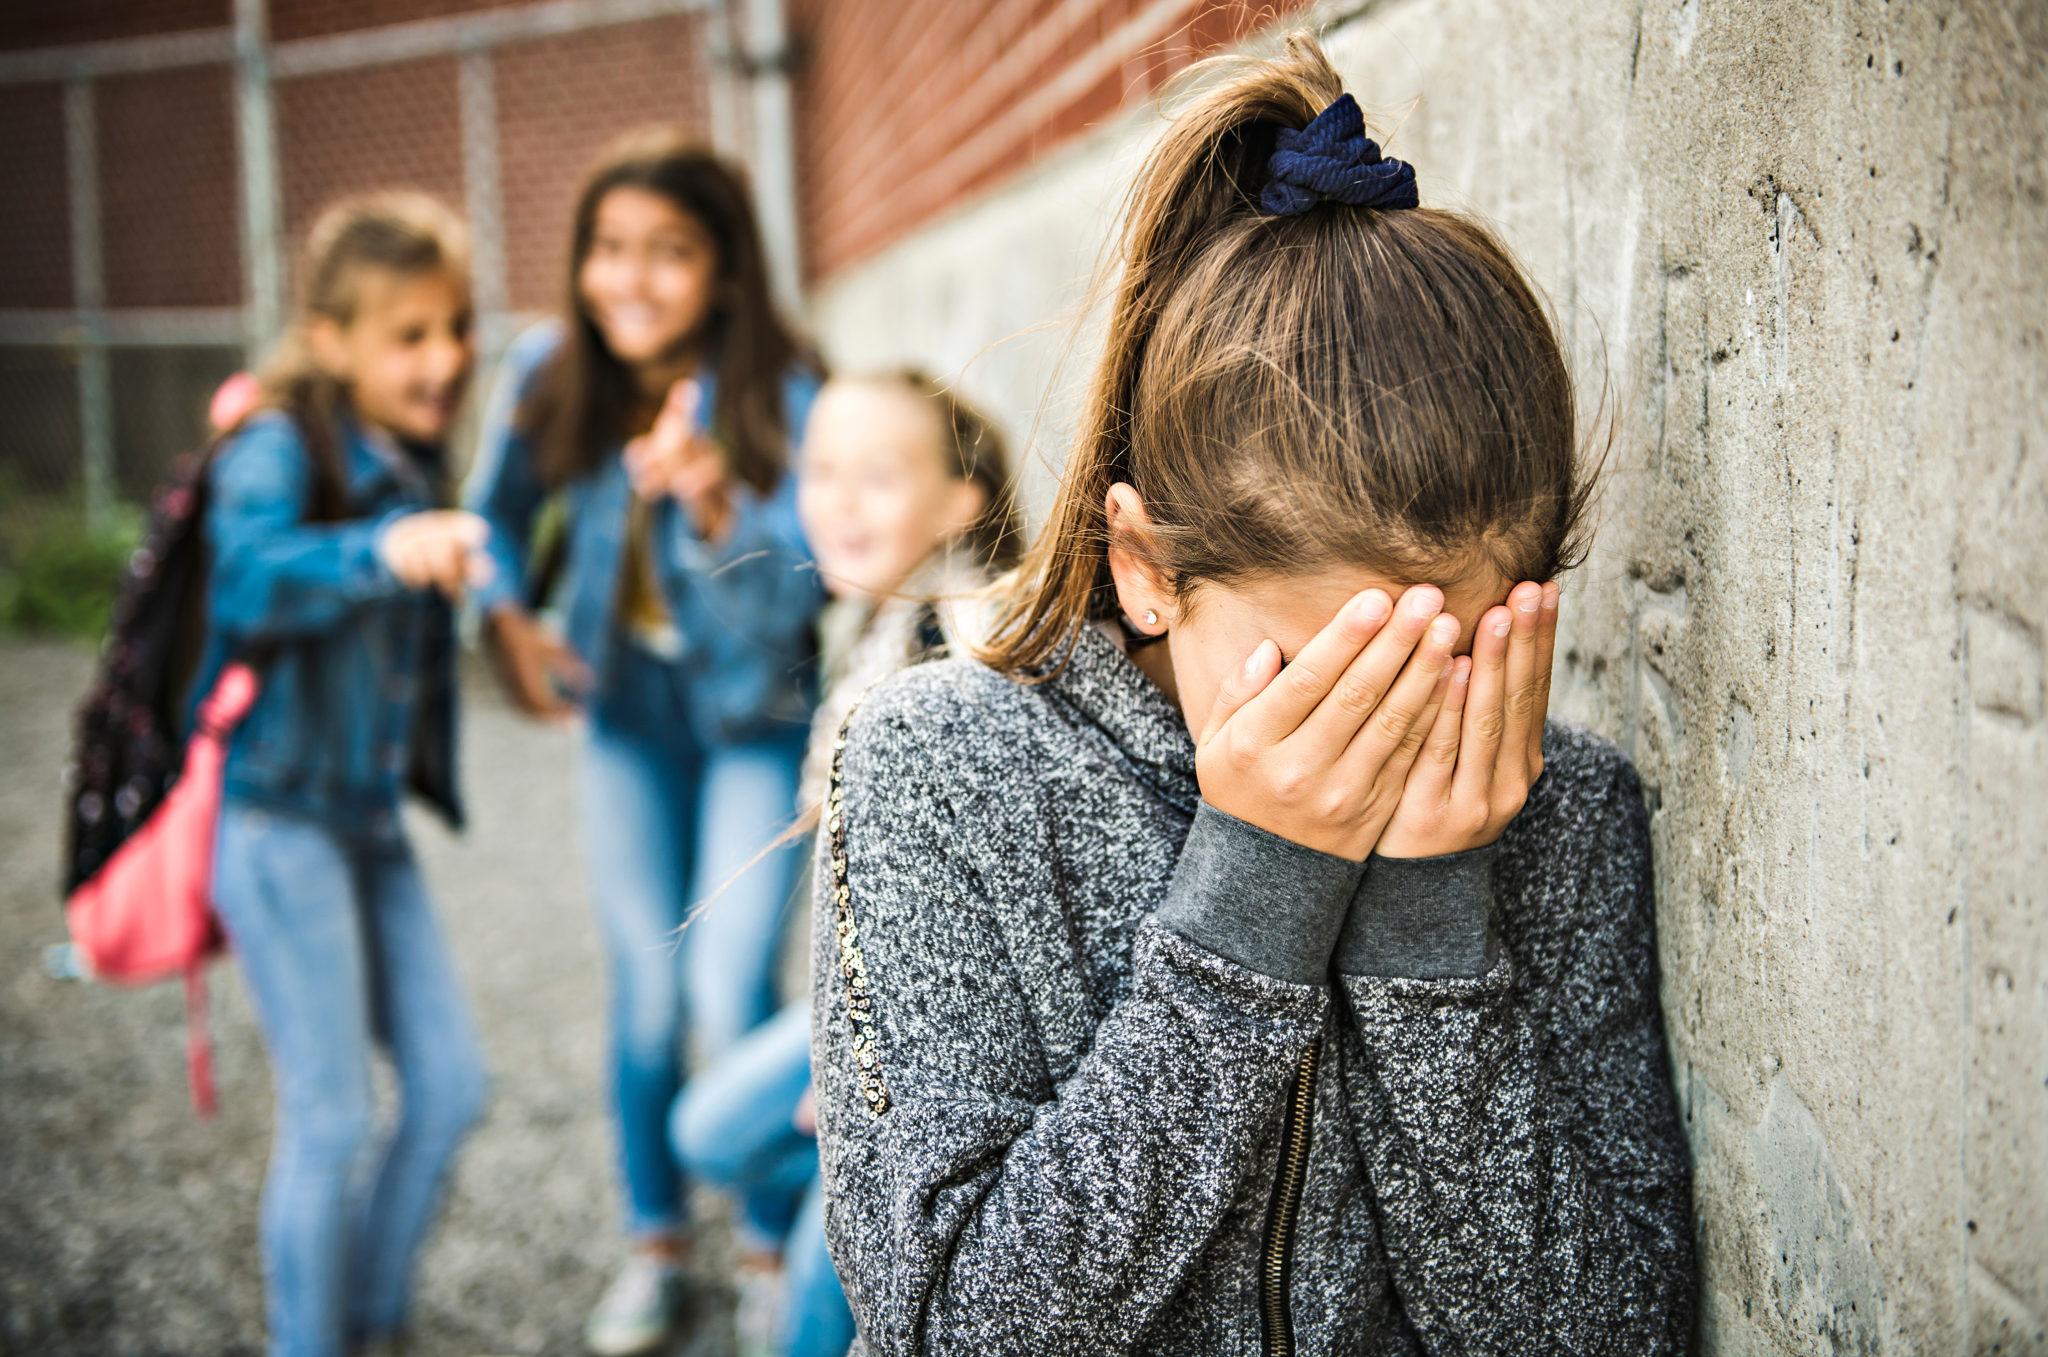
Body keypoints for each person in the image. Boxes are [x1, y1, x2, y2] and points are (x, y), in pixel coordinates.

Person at [810, 36, 1697, 1356]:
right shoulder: (938, 766)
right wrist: (1254, 898)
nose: (1384, 732)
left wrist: (1432, 923)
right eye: (1327, 675)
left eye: (1440, 665)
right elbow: (948, 1328)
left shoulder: (1559, 815)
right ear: (1148, 569)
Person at [463, 127, 824, 1356]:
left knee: (729, 987)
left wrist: (714, 501)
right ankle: (654, 1240)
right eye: (609, 249)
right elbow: (490, 522)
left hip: (750, 724)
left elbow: (794, 605)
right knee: (648, 998)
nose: (630, 277)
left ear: (724, 270)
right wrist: (503, 621)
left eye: (668, 252)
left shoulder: (787, 390)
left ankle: (773, 1238)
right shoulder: (548, 369)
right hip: (627, 720)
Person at [671, 371, 1022, 1357]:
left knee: (813, 1307)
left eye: (877, 475)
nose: (839, 500)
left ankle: (892, 1251)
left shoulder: (968, 645)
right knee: (706, 1132)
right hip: (860, 1003)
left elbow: (986, 902)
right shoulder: (871, 624)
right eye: (820, 471)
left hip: (929, 1036)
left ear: (959, 502)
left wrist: (861, 1071)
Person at [201, 192, 491, 1357]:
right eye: (409, 334)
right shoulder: (278, 442)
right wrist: (379, 549)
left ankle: (366, 1322)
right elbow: (246, 579)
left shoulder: (416, 455)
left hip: (366, 823)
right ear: (331, 339)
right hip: (276, 823)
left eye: (455, 327)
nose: (445, 357)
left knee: (450, 1088)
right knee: (328, 1115)